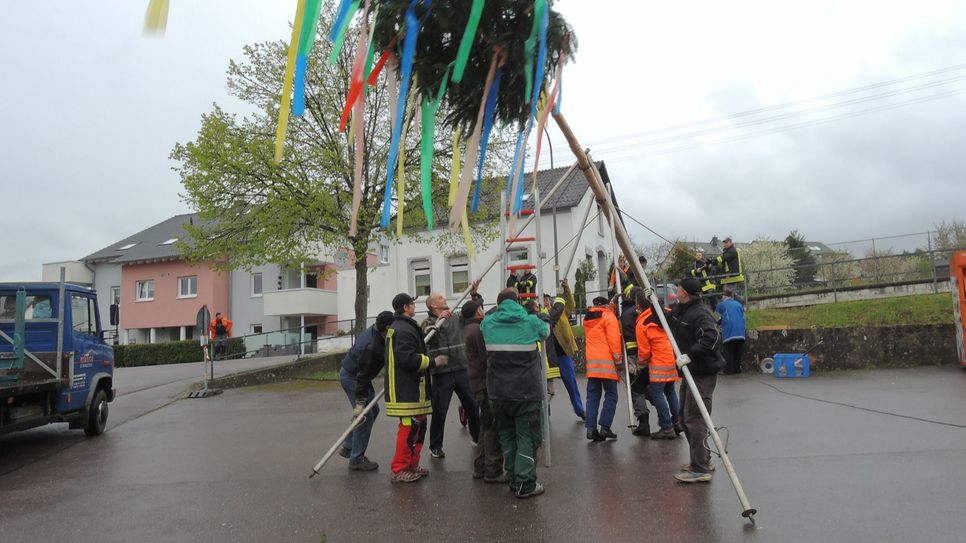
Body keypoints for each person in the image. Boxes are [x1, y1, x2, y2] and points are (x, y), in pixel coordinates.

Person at [481, 287, 551, 499]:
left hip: (498, 393)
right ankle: (525, 483)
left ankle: (512, 477)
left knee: (506, 436)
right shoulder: (530, 322)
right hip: (526, 392)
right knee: (527, 437)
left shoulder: (488, 324)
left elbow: (487, 317)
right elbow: (546, 330)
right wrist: (539, 313)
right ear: (518, 301)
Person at [385, 293, 449, 483]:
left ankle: (412, 464)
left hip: (414, 389)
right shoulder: (403, 330)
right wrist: (433, 361)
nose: (414, 306)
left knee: (418, 426)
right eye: (412, 303)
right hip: (405, 390)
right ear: (406, 307)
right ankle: (399, 469)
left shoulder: (406, 327)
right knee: (409, 427)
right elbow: (407, 359)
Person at [669, 277, 726, 483]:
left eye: (679, 288)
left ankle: (700, 467)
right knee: (684, 418)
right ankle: (702, 459)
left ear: (685, 292)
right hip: (690, 371)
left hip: (702, 372)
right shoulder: (683, 310)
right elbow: (668, 318)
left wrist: (690, 354)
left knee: (695, 418)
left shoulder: (700, 313)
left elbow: (711, 338)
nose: (676, 290)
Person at [421, 292, 480, 459]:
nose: (444, 299)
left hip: (461, 368)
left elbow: (471, 311)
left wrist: (474, 294)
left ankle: (477, 437)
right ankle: (435, 446)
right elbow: (424, 337)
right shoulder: (428, 323)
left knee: (472, 404)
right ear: (433, 305)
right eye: (440, 298)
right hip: (442, 373)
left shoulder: (455, 317)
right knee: (440, 411)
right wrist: (438, 323)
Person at [339, 311, 395, 471]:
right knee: (365, 416)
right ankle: (356, 459)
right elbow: (362, 377)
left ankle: (349, 445)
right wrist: (360, 402)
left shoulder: (379, 332)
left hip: (357, 375)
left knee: (373, 411)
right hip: (353, 377)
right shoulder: (371, 347)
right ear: (387, 327)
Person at [463, 300, 505, 483]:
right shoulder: (478, 330)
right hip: (485, 383)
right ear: (476, 312)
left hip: (477, 383)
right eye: (480, 308)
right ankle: (492, 470)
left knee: (484, 427)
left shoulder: (468, 329)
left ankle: (480, 467)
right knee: (492, 428)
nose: (483, 311)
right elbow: (486, 357)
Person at [634, 290, 681, 440]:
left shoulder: (642, 323)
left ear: (638, 304)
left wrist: (640, 365)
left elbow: (644, 351)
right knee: (670, 391)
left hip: (657, 362)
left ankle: (667, 427)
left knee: (657, 393)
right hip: (672, 359)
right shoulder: (666, 312)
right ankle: (678, 422)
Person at [541, 279, 585, 421]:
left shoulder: (561, 310)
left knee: (571, 383)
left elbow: (571, 304)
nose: (546, 301)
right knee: (546, 388)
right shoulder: (542, 315)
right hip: (548, 358)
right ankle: (545, 415)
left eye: (548, 299)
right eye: (544, 300)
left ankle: (579, 409)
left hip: (563, 353)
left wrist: (566, 288)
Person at [583, 296, 623, 442]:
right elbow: (614, 340)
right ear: (606, 305)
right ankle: (605, 427)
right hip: (607, 363)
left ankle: (590, 428)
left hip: (592, 364)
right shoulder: (609, 317)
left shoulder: (587, 318)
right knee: (611, 395)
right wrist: (618, 360)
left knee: (593, 396)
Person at [619, 287, 650, 437]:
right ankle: (671, 420)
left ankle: (644, 422)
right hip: (649, 354)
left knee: (636, 388)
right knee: (652, 388)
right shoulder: (643, 311)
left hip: (634, 356)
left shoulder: (625, 313)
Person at [716, 289, 747, 374]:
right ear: (732, 296)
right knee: (738, 350)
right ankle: (737, 369)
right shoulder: (739, 304)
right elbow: (744, 317)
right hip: (741, 331)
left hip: (729, 330)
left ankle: (728, 370)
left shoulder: (721, 305)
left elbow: (717, 319)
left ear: (724, 296)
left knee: (728, 351)